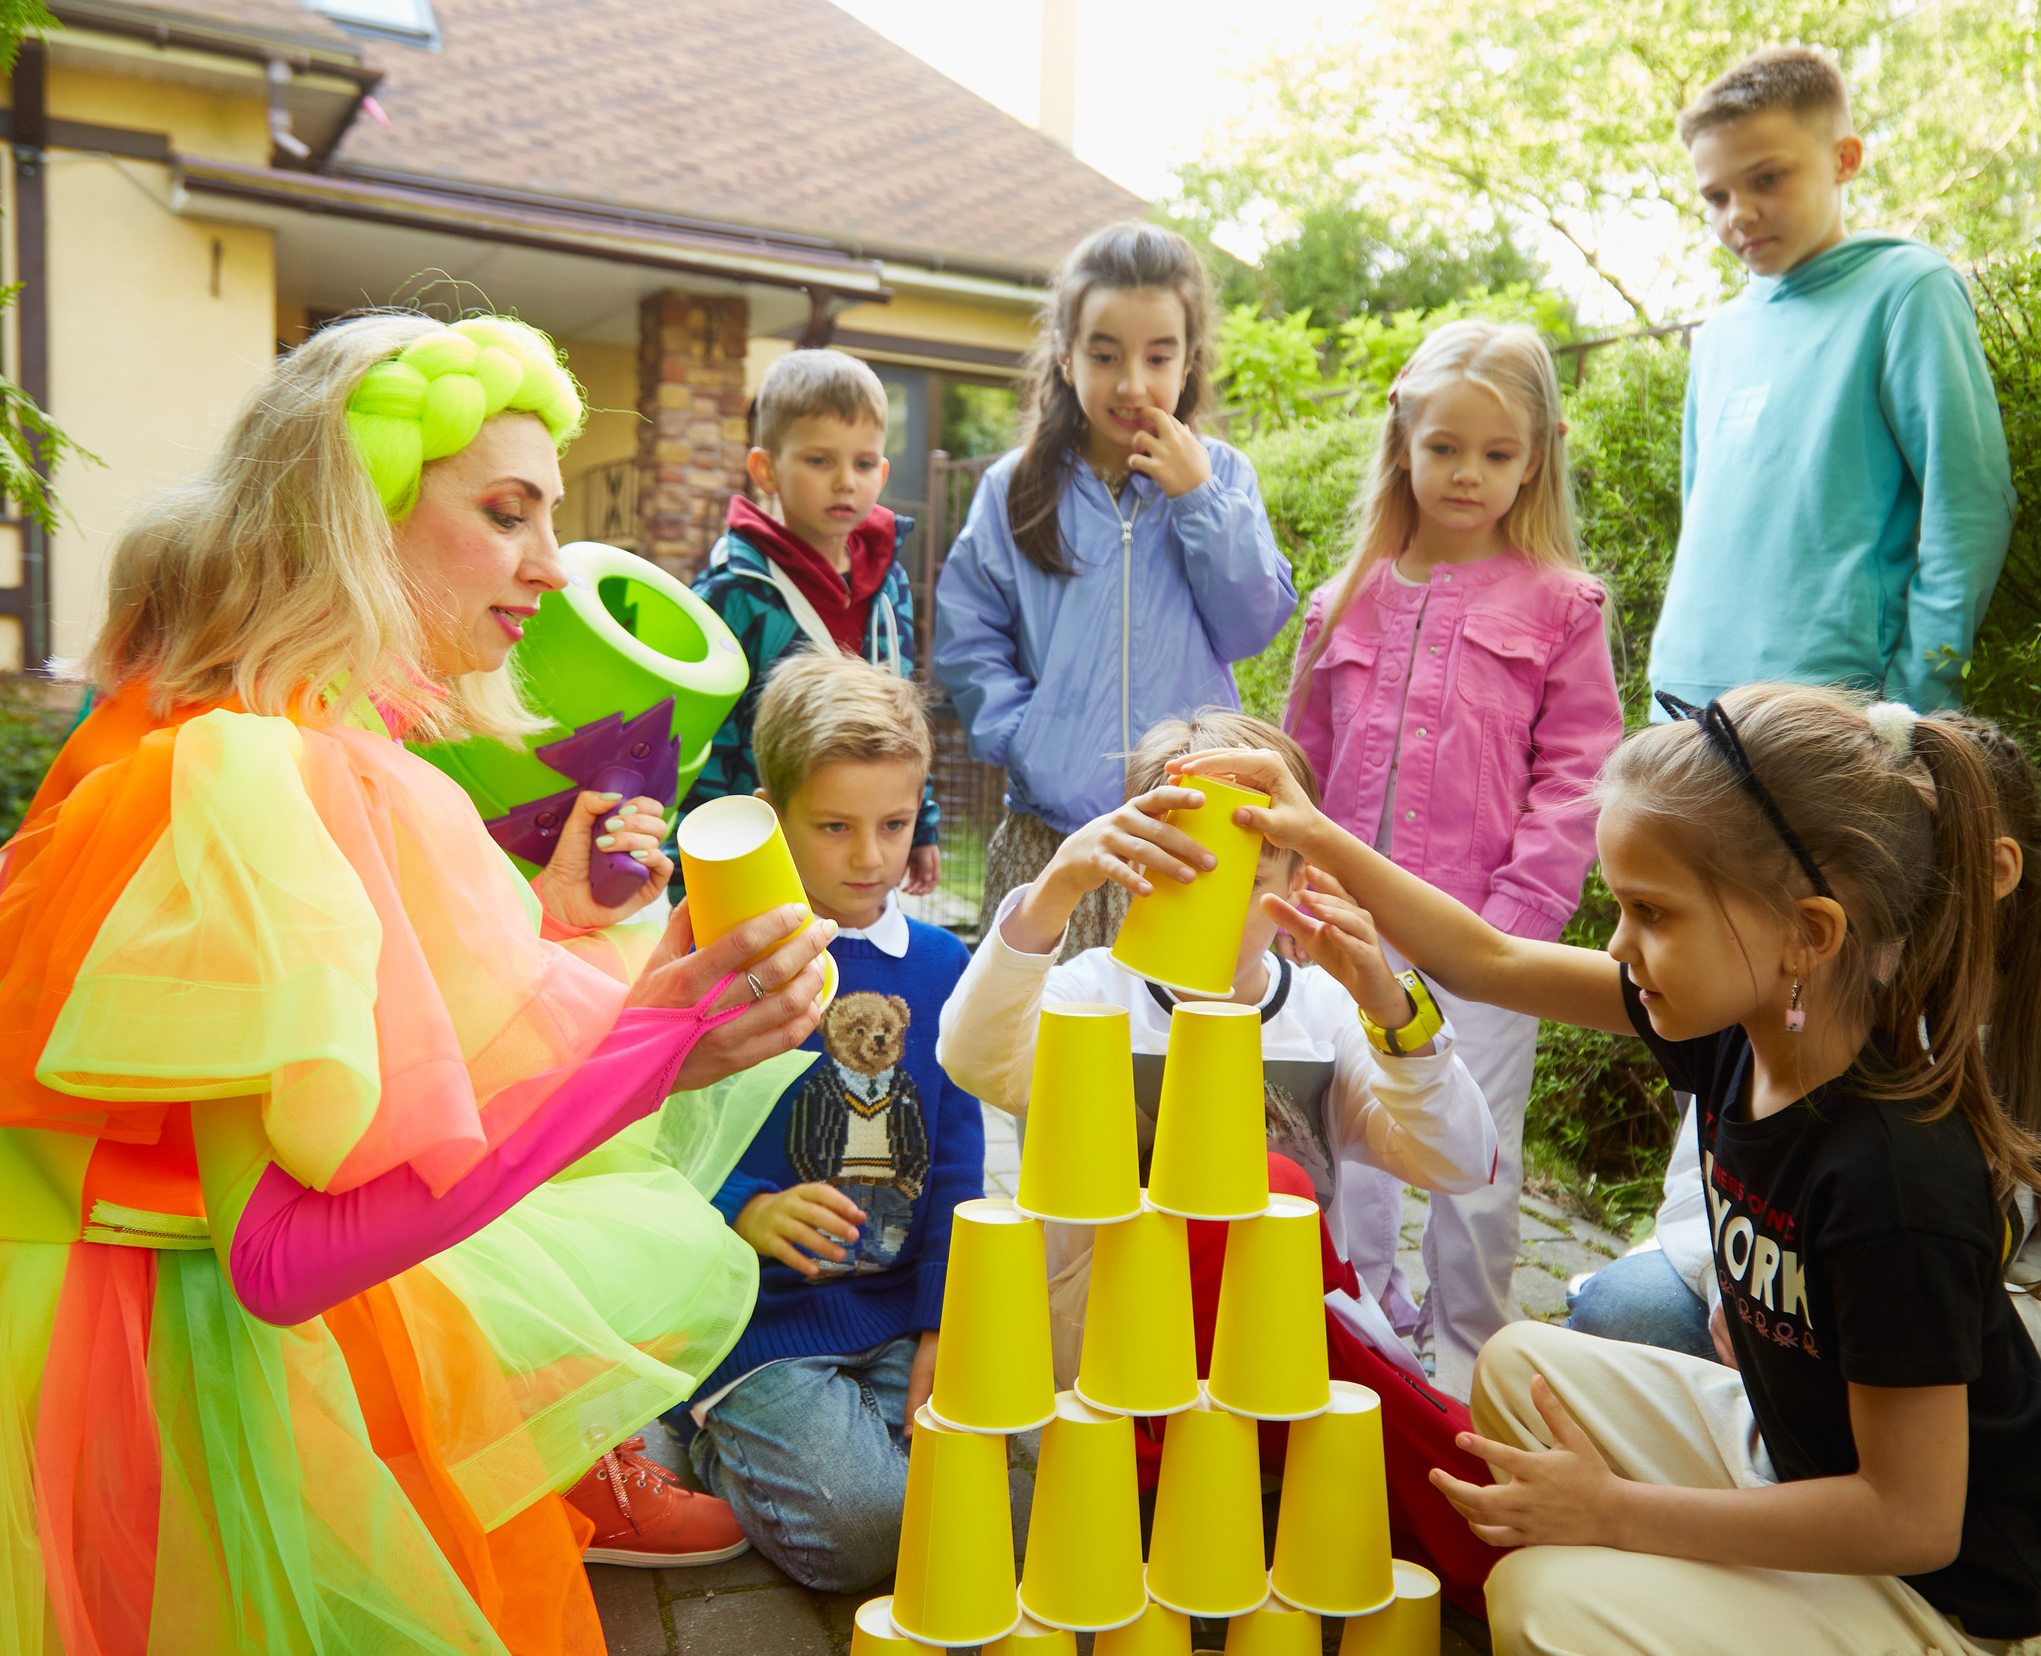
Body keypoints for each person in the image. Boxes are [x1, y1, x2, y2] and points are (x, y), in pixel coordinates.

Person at [0, 313, 838, 1654]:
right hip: (109, 1353)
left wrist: (576, 942)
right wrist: (655, 1048)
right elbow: (281, 1252)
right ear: (350, 519)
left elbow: (341, 1062)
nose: (553, 568)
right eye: (507, 513)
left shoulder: (214, 721)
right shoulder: (262, 770)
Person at [1182, 687, 2041, 1655]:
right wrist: (1311, 833)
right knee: (1515, 1369)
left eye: (1649, 913)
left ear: (1808, 935)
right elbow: (1487, 960)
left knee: (1542, 1601)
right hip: (1795, 1468)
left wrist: (1616, 1513)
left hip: (1955, 1604)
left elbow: (1911, 1518)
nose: (1619, 946)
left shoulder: (1894, 1181)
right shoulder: (1738, 1034)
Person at [937, 709, 1505, 1608]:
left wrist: (1391, 1008)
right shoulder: (1093, 993)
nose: (1204, 896)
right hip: (1120, 1377)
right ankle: (1178, 1506)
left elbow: (1462, 1159)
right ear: (1126, 877)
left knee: (1270, 1200)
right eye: (1168, 868)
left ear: (1297, 882)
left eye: (1242, 875)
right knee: (1241, 1189)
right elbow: (972, 1056)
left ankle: (1455, 1532)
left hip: (1281, 1367)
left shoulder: (1322, 1011)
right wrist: (1053, 891)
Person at [1567, 713, 2041, 1406]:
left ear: (1996, 871)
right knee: (1622, 1310)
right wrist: (1744, 1298)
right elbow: (1706, 1183)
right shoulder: (1800, 997)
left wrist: (1915, 1338)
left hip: (1919, 1377)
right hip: (1744, 1316)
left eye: (1916, 852)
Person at [1285, 319, 1620, 1382]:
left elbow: (1579, 772)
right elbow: (1302, 758)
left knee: (1474, 1150)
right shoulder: (1342, 601)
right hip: (1342, 933)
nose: (1466, 474)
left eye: (1495, 453)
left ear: (1537, 455)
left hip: (1484, 935)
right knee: (1353, 1132)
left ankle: (1468, 1351)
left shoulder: (1561, 608)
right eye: (1443, 448)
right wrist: (1287, 889)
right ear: (1403, 440)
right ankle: (1355, 1319)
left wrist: (1517, 921)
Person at [662, 651, 983, 1595]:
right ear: (771, 813)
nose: (870, 857)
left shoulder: (939, 964)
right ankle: (709, 1439)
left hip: (893, 1321)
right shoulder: (716, 963)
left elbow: (961, 1167)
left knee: (1025, 1476)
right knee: (869, 1536)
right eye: (835, 826)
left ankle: (841, 1457)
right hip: (757, 1327)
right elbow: (652, 1138)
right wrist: (741, 1209)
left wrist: (939, 1328)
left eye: (893, 824)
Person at [935, 220, 1296, 960]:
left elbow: (1252, 622)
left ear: (1189, 360)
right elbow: (969, 639)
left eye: (1157, 355)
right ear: (1066, 357)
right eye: (1105, 355)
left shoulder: (1222, 477)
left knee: (1168, 1058)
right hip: (1051, 842)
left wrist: (1197, 499)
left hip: (1188, 835)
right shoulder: (1014, 489)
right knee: (1034, 1063)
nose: (1132, 383)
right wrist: (1028, 741)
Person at [1648, 45, 2016, 718]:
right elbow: (1700, 519)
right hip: (1682, 704)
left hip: (1827, 717)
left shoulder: (1908, 291)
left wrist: (1917, 702)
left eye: (1766, 179)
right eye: (1717, 195)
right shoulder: (1719, 336)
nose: (1739, 214)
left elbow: (1970, 504)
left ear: (1845, 159)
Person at [686, 348, 938, 898]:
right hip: (759, 854)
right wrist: (705, 872)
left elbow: (901, 716)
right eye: (820, 461)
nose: (846, 482)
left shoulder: (890, 579)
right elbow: (704, 742)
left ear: (883, 470)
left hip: (859, 847)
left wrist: (922, 821)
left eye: (864, 463)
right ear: (766, 469)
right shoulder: (733, 591)